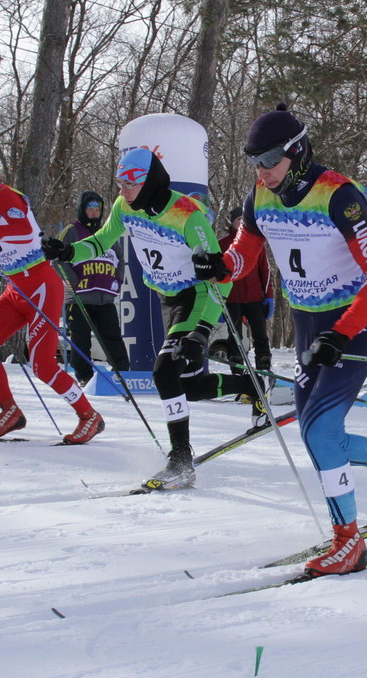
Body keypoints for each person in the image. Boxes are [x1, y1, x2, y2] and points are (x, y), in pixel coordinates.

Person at [193, 104, 367, 577]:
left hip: (353, 322)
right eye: (253, 161)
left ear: (296, 152)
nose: (262, 170)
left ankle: (347, 542)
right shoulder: (261, 193)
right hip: (308, 325)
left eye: (269, 160)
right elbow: (244, 253)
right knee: (320, 436)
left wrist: (343, 332)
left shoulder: (340, 195)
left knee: (317, 427)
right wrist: (222, 266)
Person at [43, 148, 262, 490]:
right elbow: (101, 242)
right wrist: (69, 251)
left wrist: (203, 329)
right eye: (120, 182)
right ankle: (249, 385)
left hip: (196, 297)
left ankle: (180, 460)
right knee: (182, 384)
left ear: (150, 181)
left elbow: (223, 278)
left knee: (163, 372)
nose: (122, 190)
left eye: (130, 182)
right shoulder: (124, 207)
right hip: (166, 299)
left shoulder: (188, 215)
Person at [0, 149, 104, 444]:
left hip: (41, 285)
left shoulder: (3, 196)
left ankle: (88, 415)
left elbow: (22, 231)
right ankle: (10, 412)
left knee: (42, 365)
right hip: (16, 288)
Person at [54, 190, 130, 386]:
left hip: (104, 297)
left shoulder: (107, 232)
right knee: (80, 339)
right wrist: (73, 281)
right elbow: (58, 259)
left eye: (98, 210)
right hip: (79, 298)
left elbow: (120, 259)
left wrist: (117, 281)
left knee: (112, 336)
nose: (95, 213)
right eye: (91, 210)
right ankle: (83, 376)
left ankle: (122, 373)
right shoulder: (72, 231)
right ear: (82, 211)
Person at [219, 206, 275, 379]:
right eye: (238, 220)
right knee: (234, 336)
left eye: (245, 220)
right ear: (232, 222)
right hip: (232, 300)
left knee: (260, 335)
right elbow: (216, 277)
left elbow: (265, 272)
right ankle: (237, 373)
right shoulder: (222, 244)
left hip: (254, 298)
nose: (242, 223)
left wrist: (269, 297)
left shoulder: (256, 243)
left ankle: (263, 370)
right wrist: (217, 302)